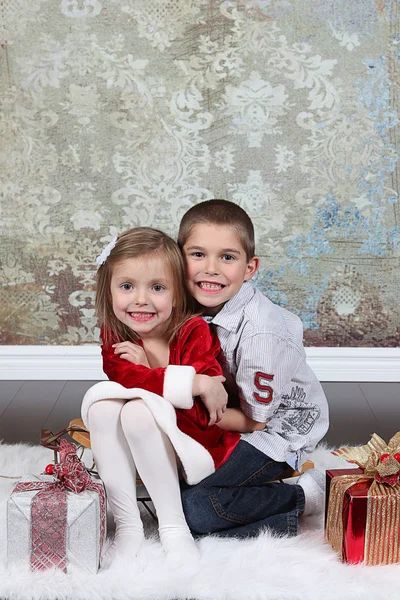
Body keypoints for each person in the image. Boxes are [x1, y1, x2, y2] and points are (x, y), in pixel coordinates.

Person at [80, 227, 240, 567]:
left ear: (177, 293)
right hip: (143, 442)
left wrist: (158, 374)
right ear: (108, 292)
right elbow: (124, 377)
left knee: (137, 411)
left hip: (195, 439)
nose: (140, 300)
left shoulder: (193, 331)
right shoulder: (115, 334)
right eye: (127, 287)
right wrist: (194, 382)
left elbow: (201, 409)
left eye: (157, 288)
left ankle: (173, 526)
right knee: (103, 408)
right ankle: (127, 524)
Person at [176, 199, 330, 538]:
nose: (211, 268)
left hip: (275, 428)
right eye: (198, 254)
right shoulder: (186, 304)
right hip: (228, 409)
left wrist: (179, 408)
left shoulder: (260, 333)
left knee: (195, 509)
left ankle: (306, 496)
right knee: (170, 482)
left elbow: (255, 420)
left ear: (249, 267)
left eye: (227, 257)